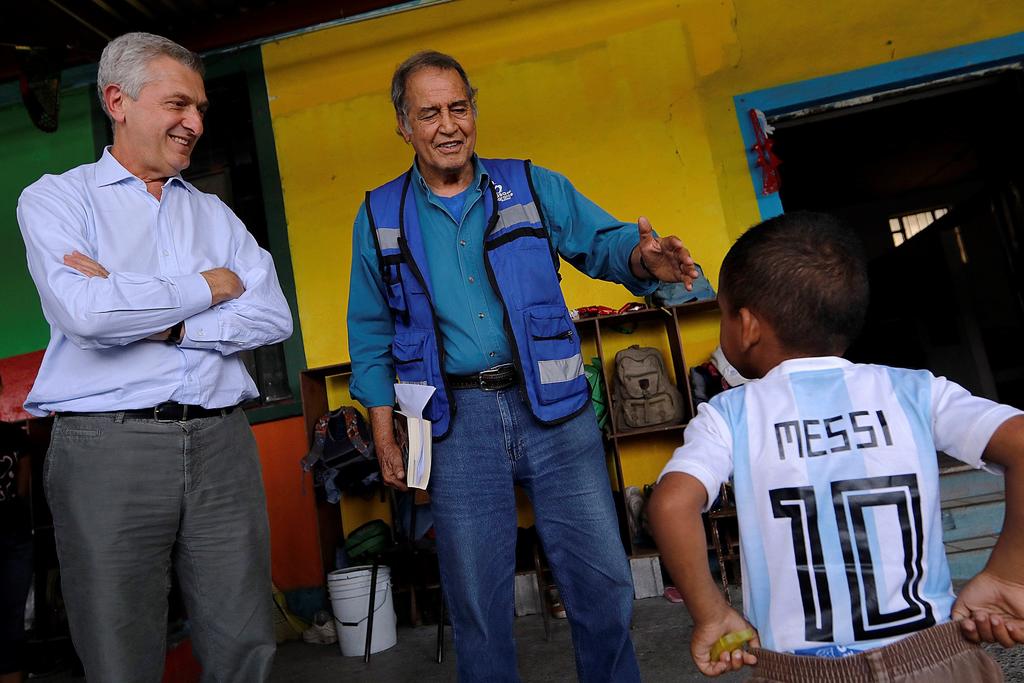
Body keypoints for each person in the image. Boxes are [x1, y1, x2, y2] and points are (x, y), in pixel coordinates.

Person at [347, 50, 699, 682]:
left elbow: (605, 243)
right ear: (403, 125)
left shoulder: (531, 186)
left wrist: (644, 261)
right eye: (429, 113)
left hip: (556, 415)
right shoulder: (379, 214)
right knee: (477, 603)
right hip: (455, 425)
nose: (448, 125)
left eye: (459, 107)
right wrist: (383, 428)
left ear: (474, 110)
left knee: (602, 583)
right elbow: (370, 329)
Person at [16, 32, 292, 682]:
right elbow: (87, 315)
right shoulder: (57, 198)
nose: (195, 123)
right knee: (119, 655)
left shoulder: (215, 215)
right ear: (118, 101)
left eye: (200, 108)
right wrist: (209, 286)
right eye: (178, 104)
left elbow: (272, 316)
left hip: (223, 441)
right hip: (108, 448)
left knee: (246, 642)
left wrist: (162, 321)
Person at [649, 211, 1024, 682]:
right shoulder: (916, 392)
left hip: (799, 671)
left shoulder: (729, 415)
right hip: (934, 656)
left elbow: (670, 505)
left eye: (722, 312)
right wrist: (1010, 573)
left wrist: (711, 612)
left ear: (747, 325)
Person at [0, 373, 33, 683]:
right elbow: (21, 491)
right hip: (13, 534)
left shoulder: (15, 437)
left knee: (11, 623)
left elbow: (24, 492)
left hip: (13, 536)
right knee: (10, 622)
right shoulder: (14, 438)